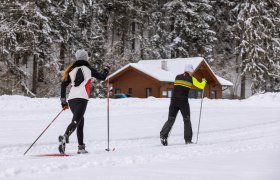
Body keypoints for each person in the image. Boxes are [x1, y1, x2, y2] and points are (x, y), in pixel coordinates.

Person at [59, 49, 110, 154]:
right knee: (76, 121)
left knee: (80, 121)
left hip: (72, 99)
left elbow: (63, 85)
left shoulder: (71, 70)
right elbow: (102, 77)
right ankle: (65, 137)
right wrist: (106, 69)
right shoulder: (89, 69)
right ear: (86, 58)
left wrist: (63, 102)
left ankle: (81, 147)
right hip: (82, 98)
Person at [160, 64, 207, 146]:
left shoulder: (177, 77)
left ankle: (163, 136)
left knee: (171, 119)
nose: (192, 73)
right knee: (187, 120)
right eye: (192, 71)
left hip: (173, 101)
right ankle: (188, 140)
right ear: (189, 71)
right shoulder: (191, 79)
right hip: (183, 102)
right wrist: (204, 81)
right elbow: (201, 86)